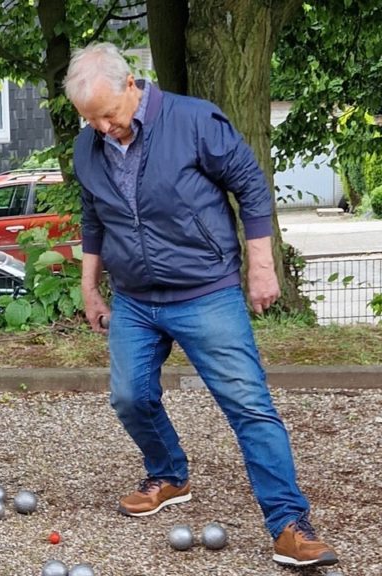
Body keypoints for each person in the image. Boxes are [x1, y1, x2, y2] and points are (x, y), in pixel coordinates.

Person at [64, 43, 338, 568]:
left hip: (205, 291)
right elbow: (94, 215)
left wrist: (261, 266)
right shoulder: (88, 146)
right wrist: (90, 287)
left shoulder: (193, 121)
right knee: (129, 397)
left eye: (108, 115)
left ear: (131, 85)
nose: (101, 128)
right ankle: (169, 474)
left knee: (249, 406)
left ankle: (289, 525)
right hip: (135, 299)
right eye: (90, 119)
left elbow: (251, 186)